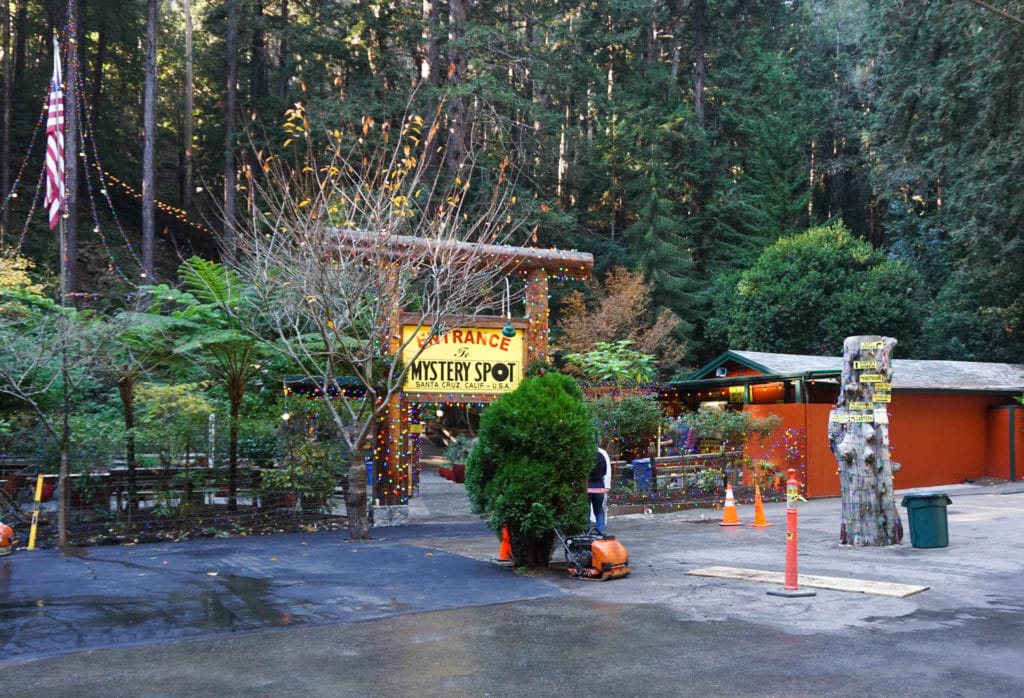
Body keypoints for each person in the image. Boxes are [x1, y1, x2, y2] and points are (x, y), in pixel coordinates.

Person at [588, 445, 611, 534]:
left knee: (587, 511)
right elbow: (605, 471)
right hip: (599, 487)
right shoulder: (602, 454)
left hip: (587, 487)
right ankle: (599, 532)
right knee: (599, 511)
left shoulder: (584, 455)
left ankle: (587, 533)